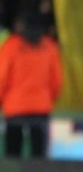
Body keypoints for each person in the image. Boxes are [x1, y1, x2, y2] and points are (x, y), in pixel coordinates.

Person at [0, 12, 62, 158]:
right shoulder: (50, 47)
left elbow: (2, 77)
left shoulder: (11, 46)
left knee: (13, 154)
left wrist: (2, 100)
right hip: (41, 107)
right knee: (39, 157)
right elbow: (57, 81)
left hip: (14, 108)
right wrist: (48, 99)